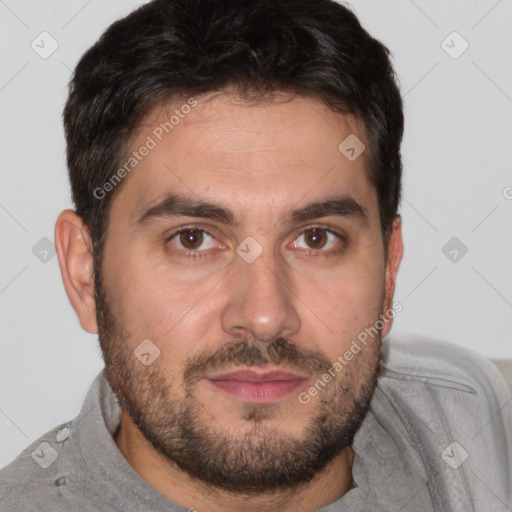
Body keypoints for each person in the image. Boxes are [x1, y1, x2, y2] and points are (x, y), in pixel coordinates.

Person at [1, 0, 511, 510]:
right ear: (85, 274)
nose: (265, 316)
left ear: (389, 268)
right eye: (193, 239)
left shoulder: (485, 437)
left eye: (316, 238)